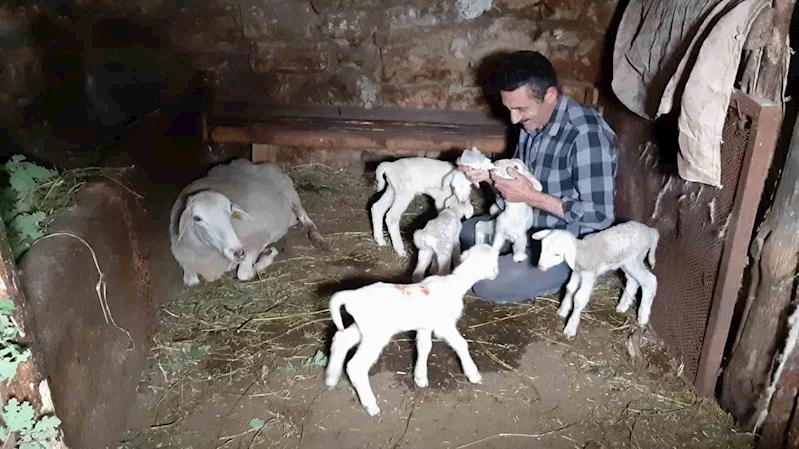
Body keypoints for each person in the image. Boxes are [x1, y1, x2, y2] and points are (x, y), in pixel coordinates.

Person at [457, 50, 620, 304]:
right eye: (509, 108)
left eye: (521, 108)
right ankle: (515, 261)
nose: (514, 118)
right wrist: (489, 177)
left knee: (485, 284)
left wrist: (532, 197)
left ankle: (558, 280)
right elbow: (517, 190)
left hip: (565, 245)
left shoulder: (586, 136)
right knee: (464, 231)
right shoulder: (532, 125)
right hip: (527, 224)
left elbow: (600, 216)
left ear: (550, 95)